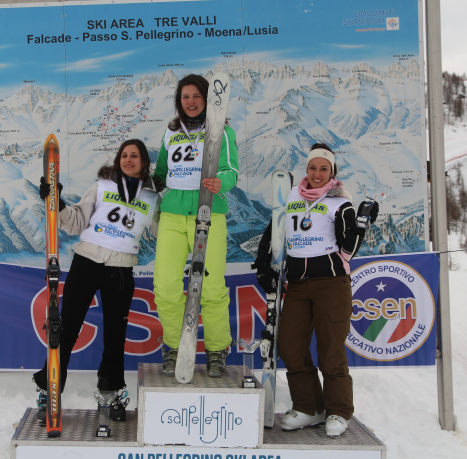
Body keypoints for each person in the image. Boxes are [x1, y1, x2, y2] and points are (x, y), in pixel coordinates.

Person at [253, 143, 378, 438]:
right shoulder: (291, 196)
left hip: (331, 284)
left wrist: (360, 226)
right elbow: (273, 232)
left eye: (324, 168)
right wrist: (263, 264)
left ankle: (338, 411)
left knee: (330, 351)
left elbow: (348, 249)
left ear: (332, 171)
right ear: (306, 169)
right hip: (297, 284)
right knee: (291, 347)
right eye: (312, 167)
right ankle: (309, 407)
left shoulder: (340, 202)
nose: (317, 173)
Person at [34, 139, 161, 422]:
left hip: (120, 270)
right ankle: (49, 390)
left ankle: (110, 393)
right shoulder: (103, 186)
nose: (128, 160)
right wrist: (57, 202)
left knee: (115, 335)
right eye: (124, 155)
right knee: (66, 329)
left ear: (144, 162)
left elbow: (163, 231)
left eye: (134, 156)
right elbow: (77, 221)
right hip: (86, 263)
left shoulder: (152, 197)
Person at [152, 74, 239, 378]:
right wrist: (162, 192)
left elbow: (231, 171)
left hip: (209, 213)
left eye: (196, 96)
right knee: (165, 285)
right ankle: (174, 347)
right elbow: (160, 172)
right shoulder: (171, 131)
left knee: (211, 287)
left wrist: (221, 182)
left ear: (207, 98)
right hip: (173, 217)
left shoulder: (222, 131)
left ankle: (216, 349)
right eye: (185, 97)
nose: (190, 102)